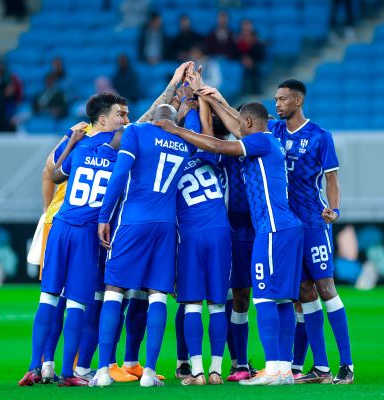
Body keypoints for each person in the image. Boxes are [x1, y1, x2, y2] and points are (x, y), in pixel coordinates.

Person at [154, 100, 304, 386]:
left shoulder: (258, 141)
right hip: (285, 227)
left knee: (261, 297)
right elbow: (228, 131)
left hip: (270, 229)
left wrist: (176, 127)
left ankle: (271, 368)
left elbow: (219, 145)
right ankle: (284, 369)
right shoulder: (271, 141)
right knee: (283, 299)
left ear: (247, 124)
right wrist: (210, 97)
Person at [92, 63, 195, 388]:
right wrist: (191, 94)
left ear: (153, 118)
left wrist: (104, 217)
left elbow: (120, 176)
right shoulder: (185, 143)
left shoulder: (136, 132)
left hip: (134, 221)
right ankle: (149, 372)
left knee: (114, 291)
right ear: (174, 120)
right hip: (167, 227)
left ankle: (103, 372)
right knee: (158, 296)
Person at [18, 93, 128, 387]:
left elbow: (53, 175)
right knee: (79, 304)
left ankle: (34, 367)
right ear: (103, 120)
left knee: (48, 297)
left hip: (60, 227)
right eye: (120, 115)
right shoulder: (119, 154)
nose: (125, 121)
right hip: (85, 233)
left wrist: (69, 142)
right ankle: (69, 373)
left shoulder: (80, 147)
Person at [270, 79, 353, 384]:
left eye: (282, 99)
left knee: (326, 287)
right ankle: (321, 367)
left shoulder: (320, 137)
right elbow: (242, 122)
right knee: (304, 292)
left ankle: (347, 364)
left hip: (314, 223)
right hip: (287, 225)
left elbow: (332, 180)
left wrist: (335, 209)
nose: (277, 104)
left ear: (298, 101)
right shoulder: (274, 131)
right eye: (276, 99)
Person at [174, 100, 231, 386]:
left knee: (192, 304)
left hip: (191, 235)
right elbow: (206, 132)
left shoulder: (171, 164)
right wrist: (199, 103)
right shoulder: (213, 155)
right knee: (218, 305)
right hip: (221, 232)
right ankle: (216, 371)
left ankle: (195, 371)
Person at [236, 20, 265, 95]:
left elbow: (260, 53)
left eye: (248, 25)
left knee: (255, 69)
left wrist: (251, 60)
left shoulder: (256, 38)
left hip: (255, 60)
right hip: (241, 61)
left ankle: (256, 92)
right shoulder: (238, 38)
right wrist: (243, 58)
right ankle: (243, 92)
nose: (246, 28)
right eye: (244, 26)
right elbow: (235, 51)